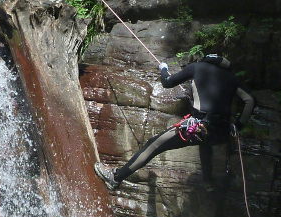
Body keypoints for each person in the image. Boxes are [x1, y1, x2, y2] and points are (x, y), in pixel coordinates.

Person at [94, 54, 255, 190]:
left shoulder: (197, 67)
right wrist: (238, 125)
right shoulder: (232, 78)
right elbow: (250, 100)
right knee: (205, 143)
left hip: (198, 126)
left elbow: (167, 82)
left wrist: (163, 69)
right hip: (222, 132)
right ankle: (208, 182)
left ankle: (115, 177)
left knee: (153, 144)